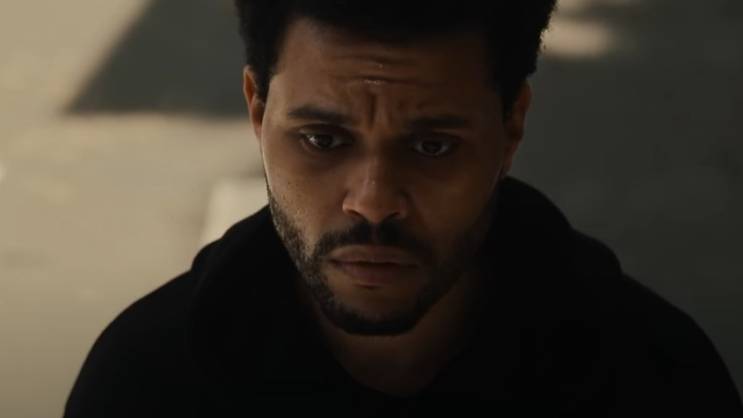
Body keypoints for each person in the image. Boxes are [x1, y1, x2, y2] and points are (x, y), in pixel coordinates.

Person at [64, 1, 742, 416]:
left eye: (432, 146)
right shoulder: (147, 383)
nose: (373, 202)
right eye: (322, 140)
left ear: (511, 126)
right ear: (257, 111)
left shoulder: (653, 379)